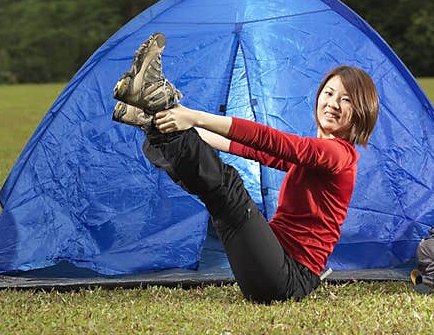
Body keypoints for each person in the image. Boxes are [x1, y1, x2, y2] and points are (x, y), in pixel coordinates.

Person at [111, 32, 379, 304]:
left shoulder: (340, 155)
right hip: (272, 266)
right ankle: (156, 120)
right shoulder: (317, 157)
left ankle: (155, 108)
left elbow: (270, 140)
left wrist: (195, 116)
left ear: (362, 111)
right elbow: (247, 148)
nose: (333, 104)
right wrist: (181, 119)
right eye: (329, 93)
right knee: (218, 196)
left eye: (346, 100)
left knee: (228, 188)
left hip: (288, 280)